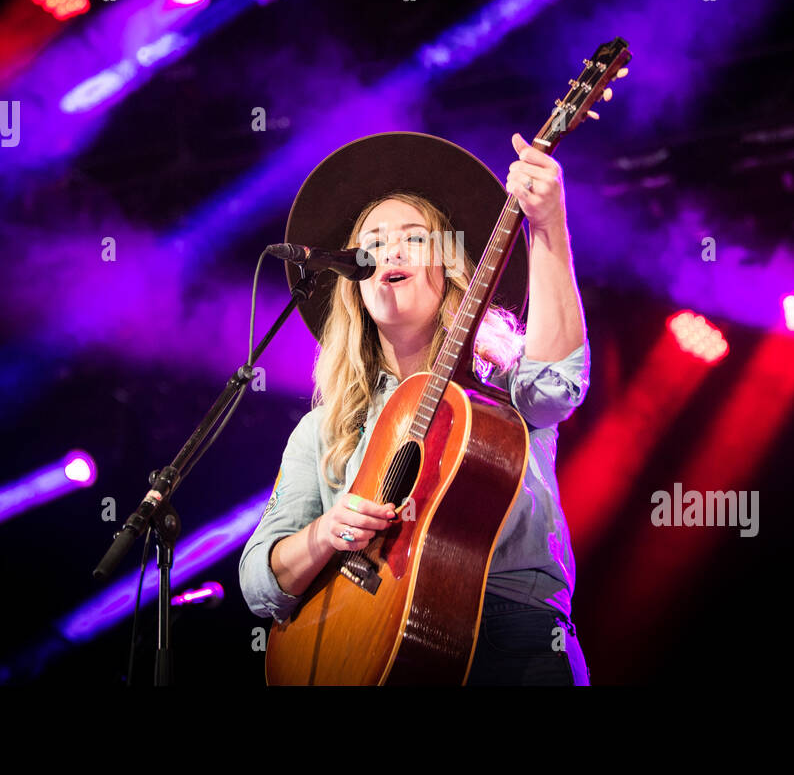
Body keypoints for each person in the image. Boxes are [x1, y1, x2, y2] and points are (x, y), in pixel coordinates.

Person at [239, 130, 591, 685]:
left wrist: (548, 225)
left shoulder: (500, 390)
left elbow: (555, 391)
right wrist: (326, 532)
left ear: (452, 266)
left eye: (413, 238)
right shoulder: (325, 427)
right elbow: (261, 584)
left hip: (513, 642)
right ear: (353, 282)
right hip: (370, 652)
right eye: (371, 243)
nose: (389, 251)